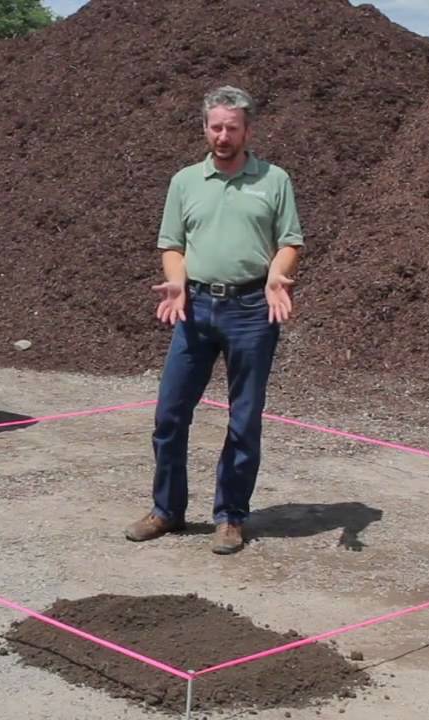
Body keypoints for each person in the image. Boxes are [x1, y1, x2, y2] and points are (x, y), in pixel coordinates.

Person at [125, 85, 304, 555]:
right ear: (205, 128)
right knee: (169, 414)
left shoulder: (274, 179)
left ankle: (230, 517)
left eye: (231, 127)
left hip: (251, 310)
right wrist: (178, 282)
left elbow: (290, 240)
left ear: (248, 129)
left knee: (244, 419)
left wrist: (276, 277)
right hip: (196, 309)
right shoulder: (185, 181)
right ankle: (167, 510)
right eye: (215, 127)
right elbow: (172, 245)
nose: (222, 136)